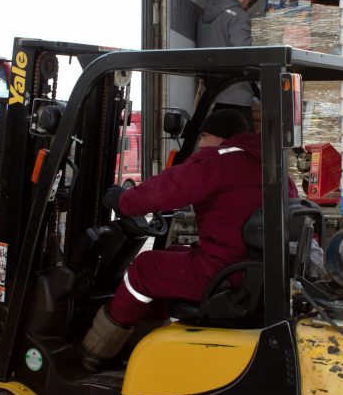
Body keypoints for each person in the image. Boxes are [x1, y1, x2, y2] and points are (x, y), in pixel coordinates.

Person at [79, 108, 297, 370]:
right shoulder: (272, 167)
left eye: (204, 136)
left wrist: (123, 201)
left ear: (218, 137)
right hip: (254, 271)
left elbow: (167, 188)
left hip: (223, 274)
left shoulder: (218, 161)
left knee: (144, 270)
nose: (201, 144)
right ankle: (143, 348)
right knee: (173, 254)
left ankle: (95, 351)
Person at [196, 0, 259, 127]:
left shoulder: (205, 14)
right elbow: (243, 54)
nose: (246, 6)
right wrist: (259, 82)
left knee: (214, 139)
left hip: (210, 91)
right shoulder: (239, 16)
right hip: (235, 94)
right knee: (241, 144)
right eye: (248, 3)